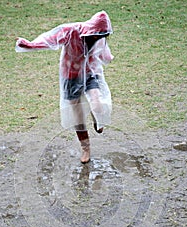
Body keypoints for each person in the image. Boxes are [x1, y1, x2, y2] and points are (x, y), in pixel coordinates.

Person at [16, 11, 114, 163]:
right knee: (78, 115)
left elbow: (103, 52)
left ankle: (98, 118)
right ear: (91, 29)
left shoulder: (100, 36)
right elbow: (51, 39)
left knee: (97, 103)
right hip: (71, 77)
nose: (98, 38)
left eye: (101, 35)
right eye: (96, 35)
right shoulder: (71, 31)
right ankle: (85, 148)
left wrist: (107, 57)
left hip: (90, 73)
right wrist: (30, 44)